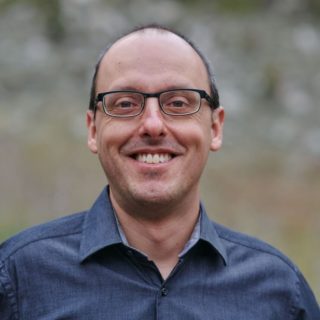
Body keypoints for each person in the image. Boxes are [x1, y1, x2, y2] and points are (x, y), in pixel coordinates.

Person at [0, 24, 319, 319]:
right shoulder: (17, 277)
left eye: (179, 103)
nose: (152, 124)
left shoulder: (279, 293)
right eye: (124, 104)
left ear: (215, 127)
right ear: (93, 130)